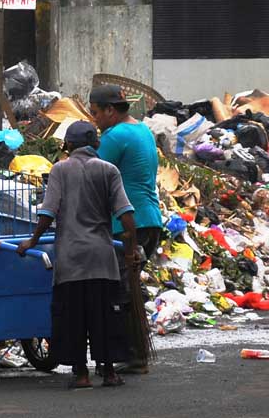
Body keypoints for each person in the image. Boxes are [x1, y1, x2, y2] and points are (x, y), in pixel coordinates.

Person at [16, 120, 137, 389]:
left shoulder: (60, 169)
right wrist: (131, 250)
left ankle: (81, 374)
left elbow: (48, 212)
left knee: (73, 318)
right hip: (102, 260)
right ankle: (108, 373)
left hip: (71, 260)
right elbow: (127, 215)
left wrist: (32, 240)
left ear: (68, 145)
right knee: (104, 317)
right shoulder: (109, 170)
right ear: (95, 143)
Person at [89, 84, 162, 374]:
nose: (95, 119)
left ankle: (132, 355)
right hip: (150, 220)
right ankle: (137, 352)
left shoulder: (115, 135)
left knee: (121, 291)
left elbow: (93, 172)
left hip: (128, 224)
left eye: (96, 113)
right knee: (129, 288)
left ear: (110, 110)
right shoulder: (142, 130)